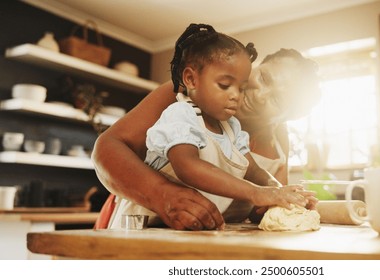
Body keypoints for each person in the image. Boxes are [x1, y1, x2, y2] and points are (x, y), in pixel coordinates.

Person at [92, 33, 321, 231]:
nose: (259, 95)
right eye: (263, 77)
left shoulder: (275, 139)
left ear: (288, 117)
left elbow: (262, 200)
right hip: (142, 226)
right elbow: (108, 147)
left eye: (278, 100)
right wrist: (161, 193)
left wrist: (281, 199)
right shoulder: (185, 97)